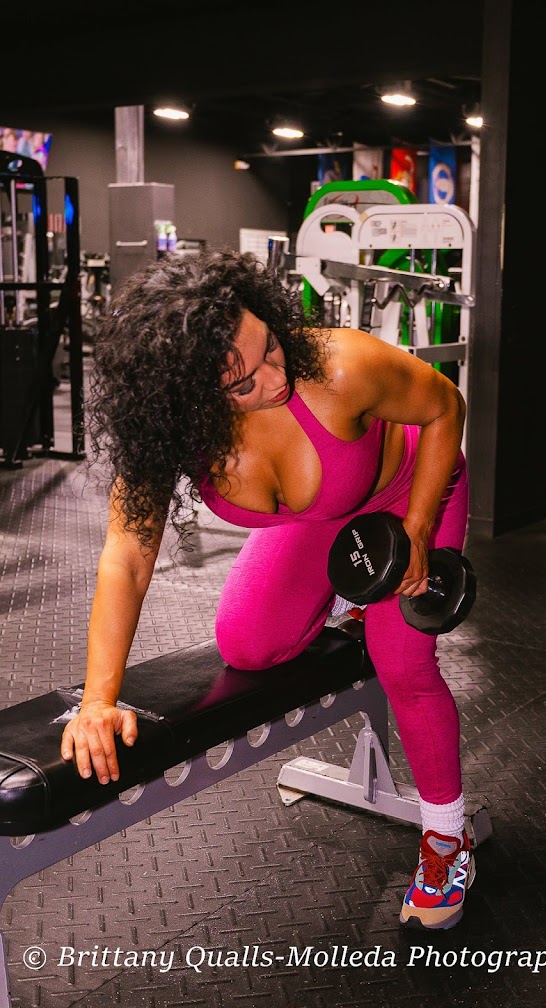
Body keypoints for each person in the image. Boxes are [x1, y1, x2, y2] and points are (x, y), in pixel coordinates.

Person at [60, 249, 473, 930]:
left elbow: (444, 407)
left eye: (271, 345)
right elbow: (127, 556)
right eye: (246, 382)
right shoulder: (170, 434)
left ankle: (447, 841)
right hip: (322, 516)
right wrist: (98, 700)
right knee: (248, 646)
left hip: (408, 491)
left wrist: (420, 530)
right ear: (187, 399)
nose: (277, 378)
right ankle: (349, 597)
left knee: (402, 661)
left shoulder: (340, 366)